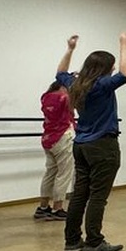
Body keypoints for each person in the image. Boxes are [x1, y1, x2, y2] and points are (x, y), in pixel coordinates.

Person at [57, 33, 126, 251]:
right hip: (102, 146)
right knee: (98, 196)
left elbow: (60, 74)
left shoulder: (76, 84)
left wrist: (69, 50)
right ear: (106, 68)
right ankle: (94, 242)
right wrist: (124, 44)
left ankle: (72, 241)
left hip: (81, 145)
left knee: (80, 194)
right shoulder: (102, 85)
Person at [34, 81, 75, 221]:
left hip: (48, 138)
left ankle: (43, 207)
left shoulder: (45, 97)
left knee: (50, 173)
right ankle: (58, 208)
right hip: (62, 137)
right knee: (63, 174)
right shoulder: (65, 97)